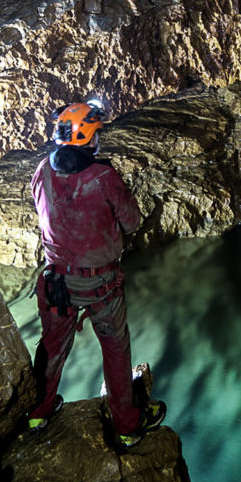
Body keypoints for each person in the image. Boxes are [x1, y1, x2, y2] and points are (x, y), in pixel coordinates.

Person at [27, 98, 166, 448]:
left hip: (56, 281)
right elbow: (132, 222)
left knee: (52, 348)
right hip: (99, 284)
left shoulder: (42, 170)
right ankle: (127, 426)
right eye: (95, 135)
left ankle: (38, 414)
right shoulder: (102, 176)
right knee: (116, 352)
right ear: (88, 138)